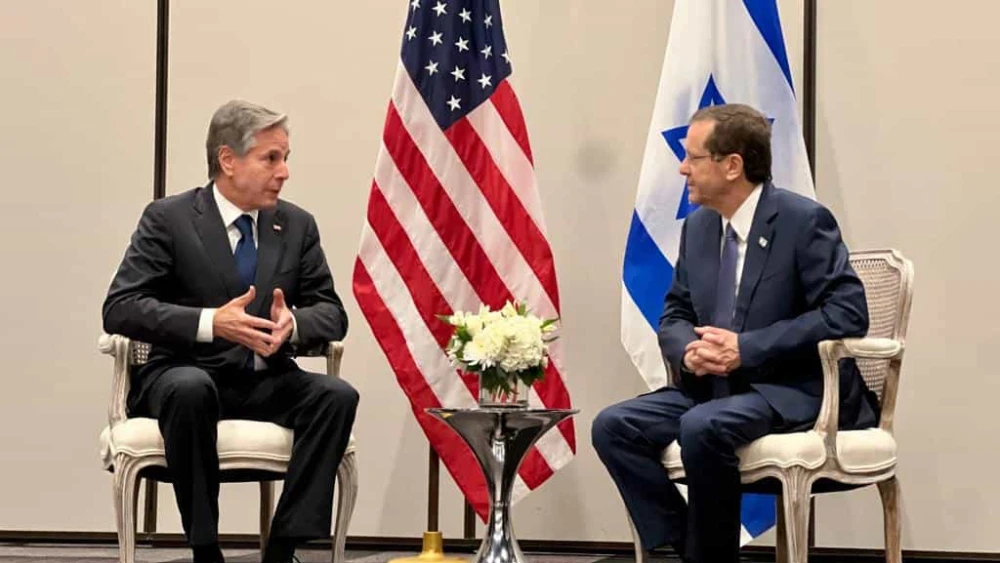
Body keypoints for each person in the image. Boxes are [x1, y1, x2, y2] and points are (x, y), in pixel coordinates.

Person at [592, 103, 877, 563]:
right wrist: (689, 351)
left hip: (784, 388)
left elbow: (847, 312)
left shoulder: (803, 221)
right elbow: (675, 312)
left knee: (701, 426)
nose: (682, 168)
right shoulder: (699, 227)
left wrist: (748, 348)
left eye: (693, 157)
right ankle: (692, 551)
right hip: (710, 388)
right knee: (614, 426)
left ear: (732, 165)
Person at [103, 100, 359, 563]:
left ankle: (283, 548)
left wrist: (294, 324)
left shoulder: (296, 225)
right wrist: (210, 322)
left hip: (264, 379)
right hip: (183, 374)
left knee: (336, 396)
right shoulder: (169, 219)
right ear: (228, 160)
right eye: (271, 158)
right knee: (191, 388)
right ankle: (206, 549)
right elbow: (120, 307)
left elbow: (331, 312)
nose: (284, 172)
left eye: (285, 158)